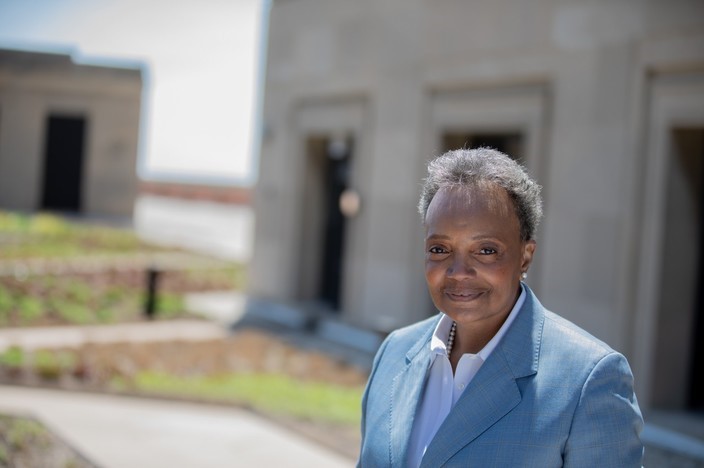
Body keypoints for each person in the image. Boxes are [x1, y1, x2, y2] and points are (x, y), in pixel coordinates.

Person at [358, 148, 643, 467]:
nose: (458, 272)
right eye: (440, 249)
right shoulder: (394, 353)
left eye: (486, 250)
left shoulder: (589, 381)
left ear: (526, 256)